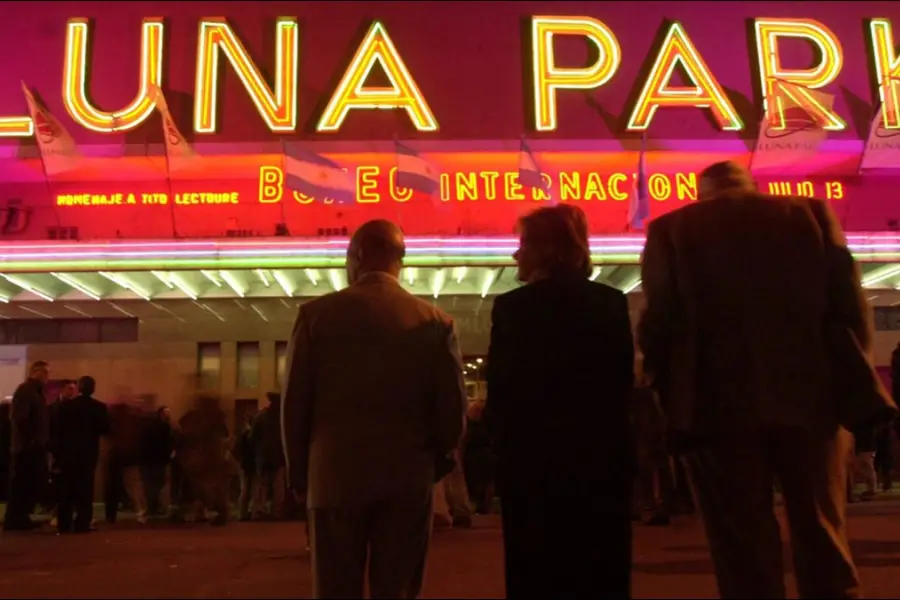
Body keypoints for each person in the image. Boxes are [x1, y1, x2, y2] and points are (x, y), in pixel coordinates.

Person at [638, 160, 868, 598]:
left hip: (716, 406)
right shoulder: (809, 213)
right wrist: (852, 383)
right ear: (750, 185)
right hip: (811, 397)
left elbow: (659, 323)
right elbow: (850, 307)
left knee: (741, 541)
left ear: (703, 190)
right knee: (822, 525)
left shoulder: (672, 229)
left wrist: (664, 391)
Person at [282, 219, 466, 599]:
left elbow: (295, 405)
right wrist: (436, 462)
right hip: (407, 477)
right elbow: (451, 409)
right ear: (400, 260)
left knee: (335, 588)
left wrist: (300, 474)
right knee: (398, 588)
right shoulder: (435, 322)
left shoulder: (315, 316)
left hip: (333, 477)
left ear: (358, 256)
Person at [484, 205, 636, 598]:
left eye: (523, 245)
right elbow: (621, 384)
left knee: (536, 569)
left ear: (544, 250)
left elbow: (502, 390)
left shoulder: (514, 308)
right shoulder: (611, 302)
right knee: (599, 567)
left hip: (533, 462)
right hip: (599, 461)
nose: (515, 254)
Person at [53, 376, 109, 534]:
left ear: (79, 387)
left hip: (67, 453)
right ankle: (82, 523)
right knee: (85, 490)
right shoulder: (99, 407)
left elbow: (58, 430)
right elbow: (105, 429)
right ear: (93, 389)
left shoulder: (66, 406)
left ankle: (64, 523)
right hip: (88, 454)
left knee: (66, 490)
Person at [5, 360, 51, 531]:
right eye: (44, 373)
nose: (46, 377)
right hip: (27, 448)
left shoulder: (34, 392)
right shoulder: (27, 391)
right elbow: (20, 419)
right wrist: (33, 439)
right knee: (22, 483)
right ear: (35, 372)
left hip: (30, 446)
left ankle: (20, 517)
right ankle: (15, 518)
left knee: (28, 483)